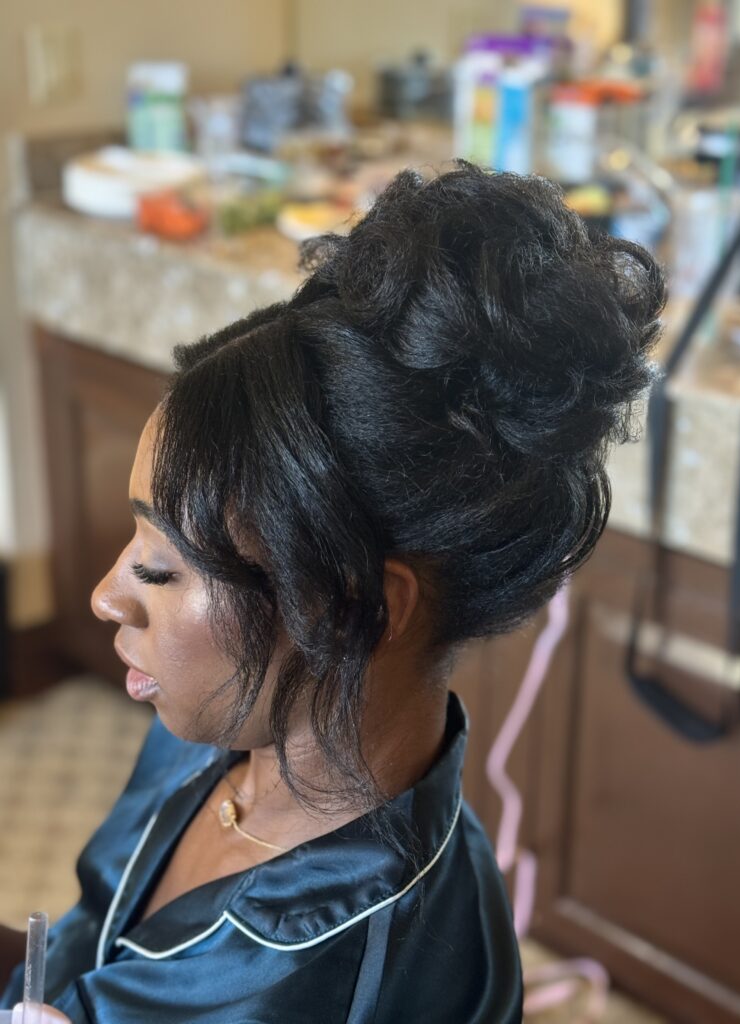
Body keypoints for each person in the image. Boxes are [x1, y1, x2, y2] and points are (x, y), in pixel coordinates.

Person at [0, 161, 664, 1023]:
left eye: (162, 569)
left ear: (355, 607)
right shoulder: (228, 718)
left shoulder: (327, 978)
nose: (107, 597)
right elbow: (87, 962)